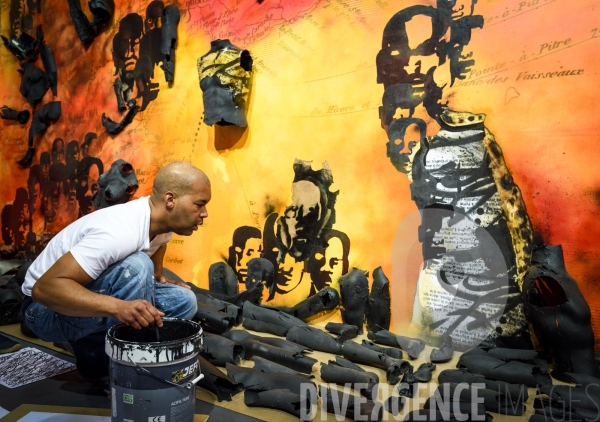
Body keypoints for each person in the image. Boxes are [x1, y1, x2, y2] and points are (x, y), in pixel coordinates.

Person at [21, 161, 209, 376]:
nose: (205, 213)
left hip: (76, 294)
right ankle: (115, 369)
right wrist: (118, 307)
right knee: (137, 266)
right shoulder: (119, 231)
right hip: (42, 310)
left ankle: (105, 351)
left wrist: (158, 276)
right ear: (170, 200)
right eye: (199, 204)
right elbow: (44, 289)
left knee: (184, 300)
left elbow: (159, 244)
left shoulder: (162, 224)